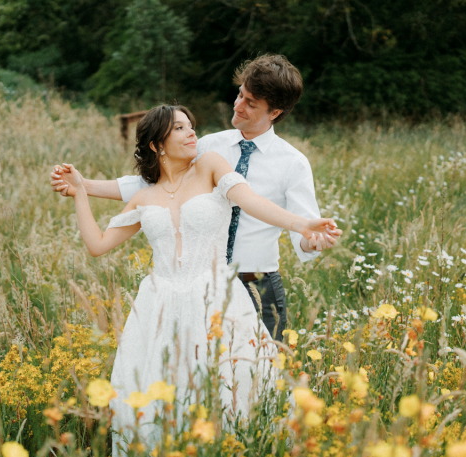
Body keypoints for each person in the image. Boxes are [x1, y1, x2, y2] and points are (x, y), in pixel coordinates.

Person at [50, 104, 339, 457]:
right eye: (181, 129)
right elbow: (98, 245)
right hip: (159, 307)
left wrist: (301, 222)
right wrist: (81, 192)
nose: (192, 134)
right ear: (157, 145)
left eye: (192, 126)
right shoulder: (145, 196)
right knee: (157, 399)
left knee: (233, 389)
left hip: (216, 297)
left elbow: (250, 200)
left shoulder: (211, 166)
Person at [51, 54, 341, 342]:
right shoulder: (207, 146)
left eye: (250, 103)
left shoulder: (293, 162)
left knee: (262, 380)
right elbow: (157, 186)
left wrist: (309, 236)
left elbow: (302, 227)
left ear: (274, 112)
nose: (238, 105)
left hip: (256, 283)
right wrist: (84, 186)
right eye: (240, 94)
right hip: (199, 285)